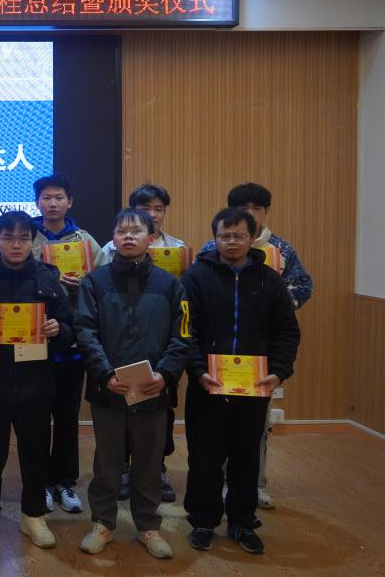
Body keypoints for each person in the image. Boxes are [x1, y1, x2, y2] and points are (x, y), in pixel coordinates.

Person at [181, 207, 300, 555]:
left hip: (255, 386)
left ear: (252, 237)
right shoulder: (196, 277)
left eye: (239, 236)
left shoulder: (270, 281)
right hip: (207, 385)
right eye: (224, 236)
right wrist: (197, 370)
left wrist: (279, 370)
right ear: (214, 238)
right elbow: (185, 330)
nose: (231, 242)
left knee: (246, 457)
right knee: (204, 457)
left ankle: (242, 522)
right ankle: (203, 521)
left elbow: (287, 332)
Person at [76, 209, 191, 559]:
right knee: (107, 462)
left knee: (148, 463)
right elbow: (85, 331)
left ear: (151, 238)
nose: (128, 236)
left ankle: (148, 526)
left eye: (136, 230)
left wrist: (165, 374)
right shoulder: (94, 282)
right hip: (108, 390)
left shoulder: (171, 285)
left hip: (154, 391)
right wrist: (105, 374)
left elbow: (183, 336)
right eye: (121, 231)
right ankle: (103, 523)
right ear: (113, 238)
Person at [0, 211, 75, 549]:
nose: (16, 244)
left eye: (23, 238)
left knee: (35, 454)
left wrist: (58, 330)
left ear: (32, 241)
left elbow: (71, 328)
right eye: (8, 238)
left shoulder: (48, 278)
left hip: (35, 383)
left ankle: (33, 516)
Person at [199, 182, 313, 509]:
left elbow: (303, 285)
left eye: (256, 208)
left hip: (259, 352)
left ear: (265, 212)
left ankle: (256, 485)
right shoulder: (212, 247)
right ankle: (219, 485)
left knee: (256, 428)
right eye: (242, 208)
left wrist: (270, 304)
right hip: (218, 354)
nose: (249, 214)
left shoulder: (281, 249)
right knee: (216, 427)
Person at [101, 183, 186, 503]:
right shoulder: (107, 256)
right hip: (116, 348)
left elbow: (183, 322)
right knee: (116, 421)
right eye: (144, 208)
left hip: (157, 348)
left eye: (157, 209)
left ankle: (155, 470)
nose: (152, 214)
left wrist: (167, 370)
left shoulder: (179, 250)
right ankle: (123, 471)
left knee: (158, 417)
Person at [31, 173, 108, 514]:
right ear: (37, 202)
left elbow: (104, 283)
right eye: (46, 197)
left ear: (69, 202)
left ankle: (66, 481)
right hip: (34, 342)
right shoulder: (27, 236)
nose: (52, 203)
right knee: (37, 419)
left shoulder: (86, 241)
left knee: (66, 418)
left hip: (72, 343)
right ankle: (41, 482)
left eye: (59, 197)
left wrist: (85, 283)